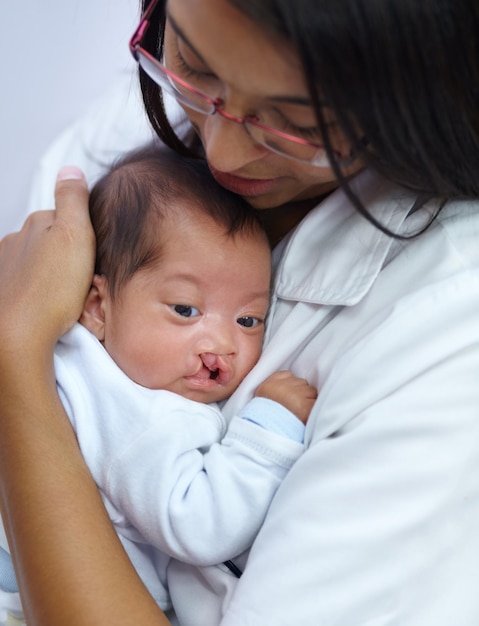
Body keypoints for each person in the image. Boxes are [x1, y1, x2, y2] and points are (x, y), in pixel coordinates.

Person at [0, 0, 478, 624]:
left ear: (425, 102)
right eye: (195, 67)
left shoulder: (446, 338)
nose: (221, 154)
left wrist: (15, 356)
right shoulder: (136, 132)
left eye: (293, 124)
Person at [0, 145, 316, 622]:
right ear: (97, 306)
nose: (223, 343)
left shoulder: (60, 350)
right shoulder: (149, 414)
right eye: (185, 310)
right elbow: (200, 525)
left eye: (249, 319)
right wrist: (266, 433)